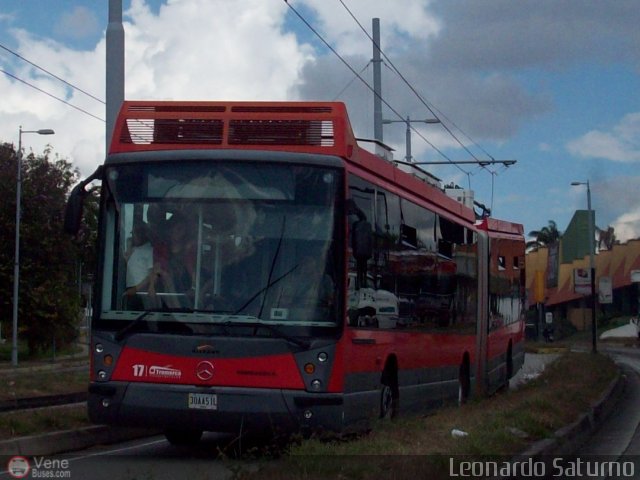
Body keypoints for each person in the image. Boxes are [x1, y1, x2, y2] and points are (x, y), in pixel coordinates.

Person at [124, 223, 154, 309]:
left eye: (137, 233)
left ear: (143, 234)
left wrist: (135, 289)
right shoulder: (132, 250)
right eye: (133, 233)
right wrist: (129, 246)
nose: (134, 236)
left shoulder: (149, 250)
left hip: (141, 291)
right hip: (130, 290)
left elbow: (150, 275)